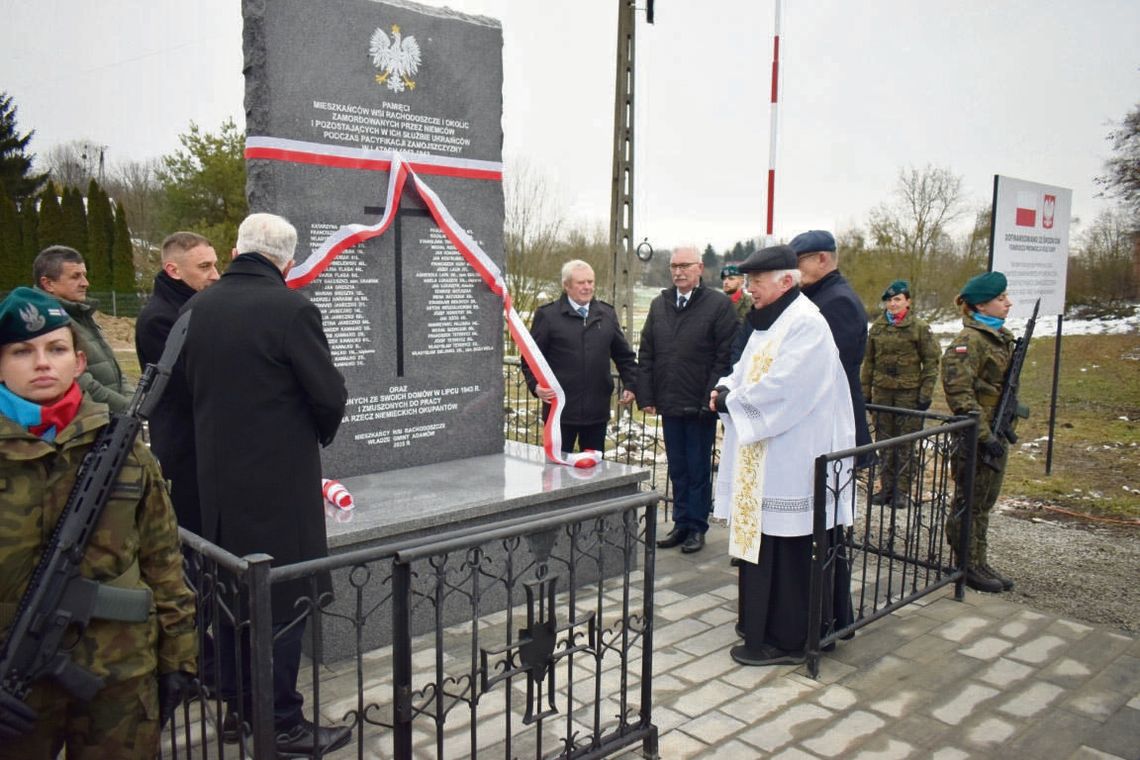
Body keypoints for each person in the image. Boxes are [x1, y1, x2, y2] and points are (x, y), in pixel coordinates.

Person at [0, 287, 196, 758]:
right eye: (22, 351)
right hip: (15, 696)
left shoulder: (121, 449)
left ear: (79, 363)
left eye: (56, 348)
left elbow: (163, 561)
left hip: (119, 681)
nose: (42, 363)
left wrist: (179, 660)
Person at [180, 213, 350, 755]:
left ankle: (240, 711)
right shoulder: (291, 309)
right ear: (287, 260)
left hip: (217, 489)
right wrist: (313, 435)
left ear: (237, 248)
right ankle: (281, 723)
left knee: (232, 601)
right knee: (283, 604)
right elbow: (328, 394)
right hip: (279, 489)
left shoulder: (196, 307)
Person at [708, 246, 855, 667]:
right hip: (768, 452)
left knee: (789, 545)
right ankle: (761, 625)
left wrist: (733, 401)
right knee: (765, 542)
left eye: (757, 281)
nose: (750, 289)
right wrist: (724, 387)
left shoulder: (806, 324)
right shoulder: (770, 322)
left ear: (786, 281)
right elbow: (745, 368)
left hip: (795, 456)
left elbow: (786, 388)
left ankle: (790, 637)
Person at [636, 246, 739, 554]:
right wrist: (647, 394)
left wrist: (711, 394)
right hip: (669, 401)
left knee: (697, 468)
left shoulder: (718, 305)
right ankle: (681, 523)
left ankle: (697, 526)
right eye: (674, 266)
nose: (678, 271)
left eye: (685, 265)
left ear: (700, 268)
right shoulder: (660, 304)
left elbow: (725, 357)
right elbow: (648, 351)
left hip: (699, 404)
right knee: (678, 468)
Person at [135, 231, 220, 535]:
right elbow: (187, 385)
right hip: (185, 448)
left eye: (215, 265)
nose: (215, 275)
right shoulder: (159, 319)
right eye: (205, 267)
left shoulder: (198, 307)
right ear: (173, 270)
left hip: (205, 442)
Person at [942, 271, 1021, 594]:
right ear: (980, 305)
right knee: (969, 500)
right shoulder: (968, 342)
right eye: (1001, 299)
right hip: (976, 436)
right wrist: (985, 435)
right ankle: (966, 564)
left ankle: (978, 559)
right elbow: (960, 394)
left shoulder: (1000, 337)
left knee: (984, 502)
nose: (1008, 303)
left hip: (994, 431)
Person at [521, 260, 637, 453]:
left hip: (596, 412)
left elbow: (623, 355)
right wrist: (535, 385)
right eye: (581, 283)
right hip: (559, 411)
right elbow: (530, 357)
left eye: (590, 282)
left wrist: (631, 385)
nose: (587, 287)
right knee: (555, 473)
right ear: (566, 285)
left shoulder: (606, 314)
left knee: (594, 473)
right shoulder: (548, 316)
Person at [861, 280, 941, 509]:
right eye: (889, 300)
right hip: (883, 393)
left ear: (908, 301)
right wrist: (865, 392)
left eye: (897, 299)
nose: (892, 304)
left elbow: (932, 362)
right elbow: (869, 362)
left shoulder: (919, 327)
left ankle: (901, 491)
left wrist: (925, 393)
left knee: (905, 444)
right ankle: (885, 488)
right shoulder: (877, 328)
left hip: (909, 394)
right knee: (885, 442)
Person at [34, 246, 133, 412]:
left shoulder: (80, 315)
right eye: (76, 277)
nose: (85, 283)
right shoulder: (44, 321)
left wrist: (132, 400)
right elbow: (79, 380)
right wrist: (127, 408)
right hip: (85, 423)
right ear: (48, 283)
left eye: (84, 275)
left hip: (109, 419)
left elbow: (113, 366)